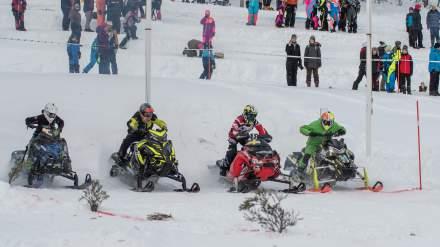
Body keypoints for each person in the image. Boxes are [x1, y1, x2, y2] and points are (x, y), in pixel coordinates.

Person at [217, 105, 270, 176]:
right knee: (232, 150)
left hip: (244, 136)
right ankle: (224, 167)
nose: (252, 118)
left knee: (252, 148)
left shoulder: (254, 121)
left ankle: (250, 166)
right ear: (245, 114)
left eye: (254, 116)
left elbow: (261, 129)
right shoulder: (239, 120)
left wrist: (265, 136)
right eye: (251, 116)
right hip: (234, 136)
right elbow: (234, 130)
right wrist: (238, 134)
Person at [297, 111, 346, 176]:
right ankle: (299, 171)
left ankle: (344, 168)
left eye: (329, 122)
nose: (327, 124)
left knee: (338, 152)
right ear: (322, 120)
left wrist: (341, 132)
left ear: (332, 121)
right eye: (325, 122)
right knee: (307, 155)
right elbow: (302, 128)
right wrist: (310, 133)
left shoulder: (335, 125)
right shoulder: (315, 124)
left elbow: (342, 128)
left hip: (327, 144)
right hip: (314, 144)